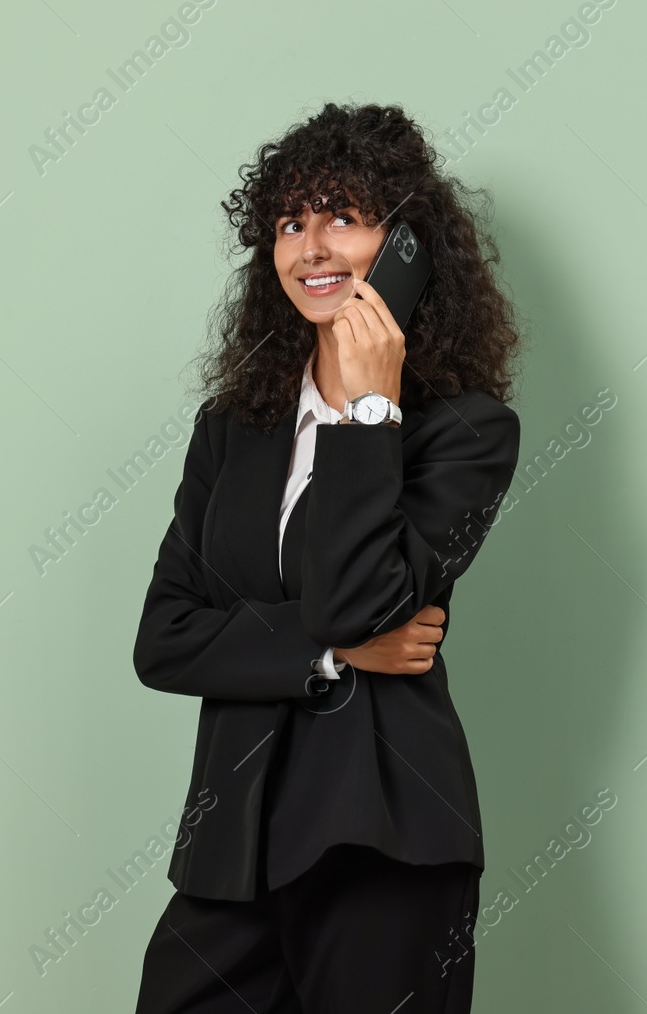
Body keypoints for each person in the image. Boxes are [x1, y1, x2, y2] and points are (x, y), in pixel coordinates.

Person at [131, 102, 524, 1013]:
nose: (312, 245)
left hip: (382, 839)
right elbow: (163, 637)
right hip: (231, 848)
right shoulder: (233, 430)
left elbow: (358, 597)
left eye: (344, 216)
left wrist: (369, 410)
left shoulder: (468, 435)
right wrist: (331, 656)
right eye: (289, 222)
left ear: (406, 247)